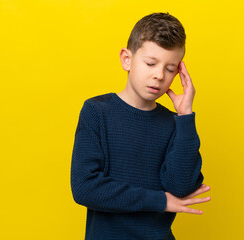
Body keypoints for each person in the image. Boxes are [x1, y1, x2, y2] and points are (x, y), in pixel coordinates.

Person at [71, 12, 211, 240]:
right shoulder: (97, 112)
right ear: (127, 59)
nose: (158, 75)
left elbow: (181, 187)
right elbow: (86, 188)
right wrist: (160, 201)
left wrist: (185, 116)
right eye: (151, 63)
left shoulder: (174, 124)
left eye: (170, 69)